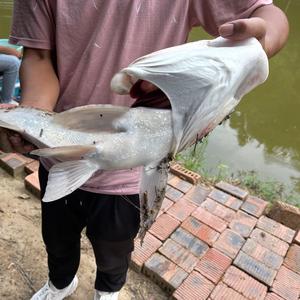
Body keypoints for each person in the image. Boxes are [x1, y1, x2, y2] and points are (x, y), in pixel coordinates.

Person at [1, 1, 288, 299]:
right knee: (58, 241)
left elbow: (268, 15)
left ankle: (108, 291)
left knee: (115, 250)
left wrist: (259, 45)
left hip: (132, 177)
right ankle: (60, 283)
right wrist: (33, 118)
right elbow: (37, 54)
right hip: (60, 157)